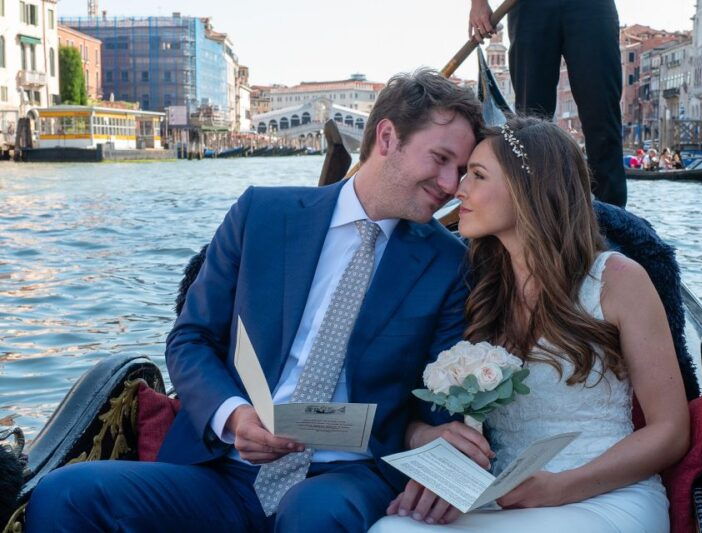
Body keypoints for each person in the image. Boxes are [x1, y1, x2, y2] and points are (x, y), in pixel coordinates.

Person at [25, 69, 493, 533]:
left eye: (462, 170)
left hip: (347, 475)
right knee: (64, 494)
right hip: (224, 471)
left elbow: (437, 405)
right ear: (387, 138)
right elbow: (192, 338)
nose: (451, 185)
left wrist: (433, 446)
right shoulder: (261, 214)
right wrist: (234, 416)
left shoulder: (449, 263)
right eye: (441, 159)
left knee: (313, 512)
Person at [371, 116, 690, 532]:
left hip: (606, 494)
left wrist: (563, 486)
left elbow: (671, 430)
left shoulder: (618, 279)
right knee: (391, 530)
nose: (458, 188)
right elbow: (416, 410)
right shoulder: (475, 289)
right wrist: (427, 444)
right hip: (503, 494)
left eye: (477, 175)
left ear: (528, 189)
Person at [469, 0, 627, 208]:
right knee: (530, 127)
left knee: (603, 118)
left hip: (592, 6)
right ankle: (535, 215)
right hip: (529, 7)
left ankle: (615, 218)